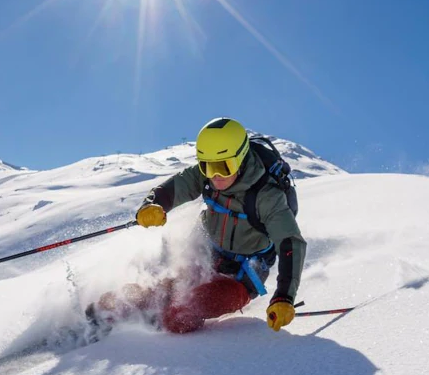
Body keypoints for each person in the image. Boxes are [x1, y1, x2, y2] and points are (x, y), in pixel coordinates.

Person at [95, 117, 306, 334]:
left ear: (241, 158)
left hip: (241, 279)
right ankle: (101, 318)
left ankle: (150, 332)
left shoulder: (267, 196)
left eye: (224, 167)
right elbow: (176, 186)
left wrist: (284, 297)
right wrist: (152, 205)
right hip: (205, 256)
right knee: (156, 294)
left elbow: (291, 243)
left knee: (180, 314)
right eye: (207, 166)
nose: (215, 175)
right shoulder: (207, 173)